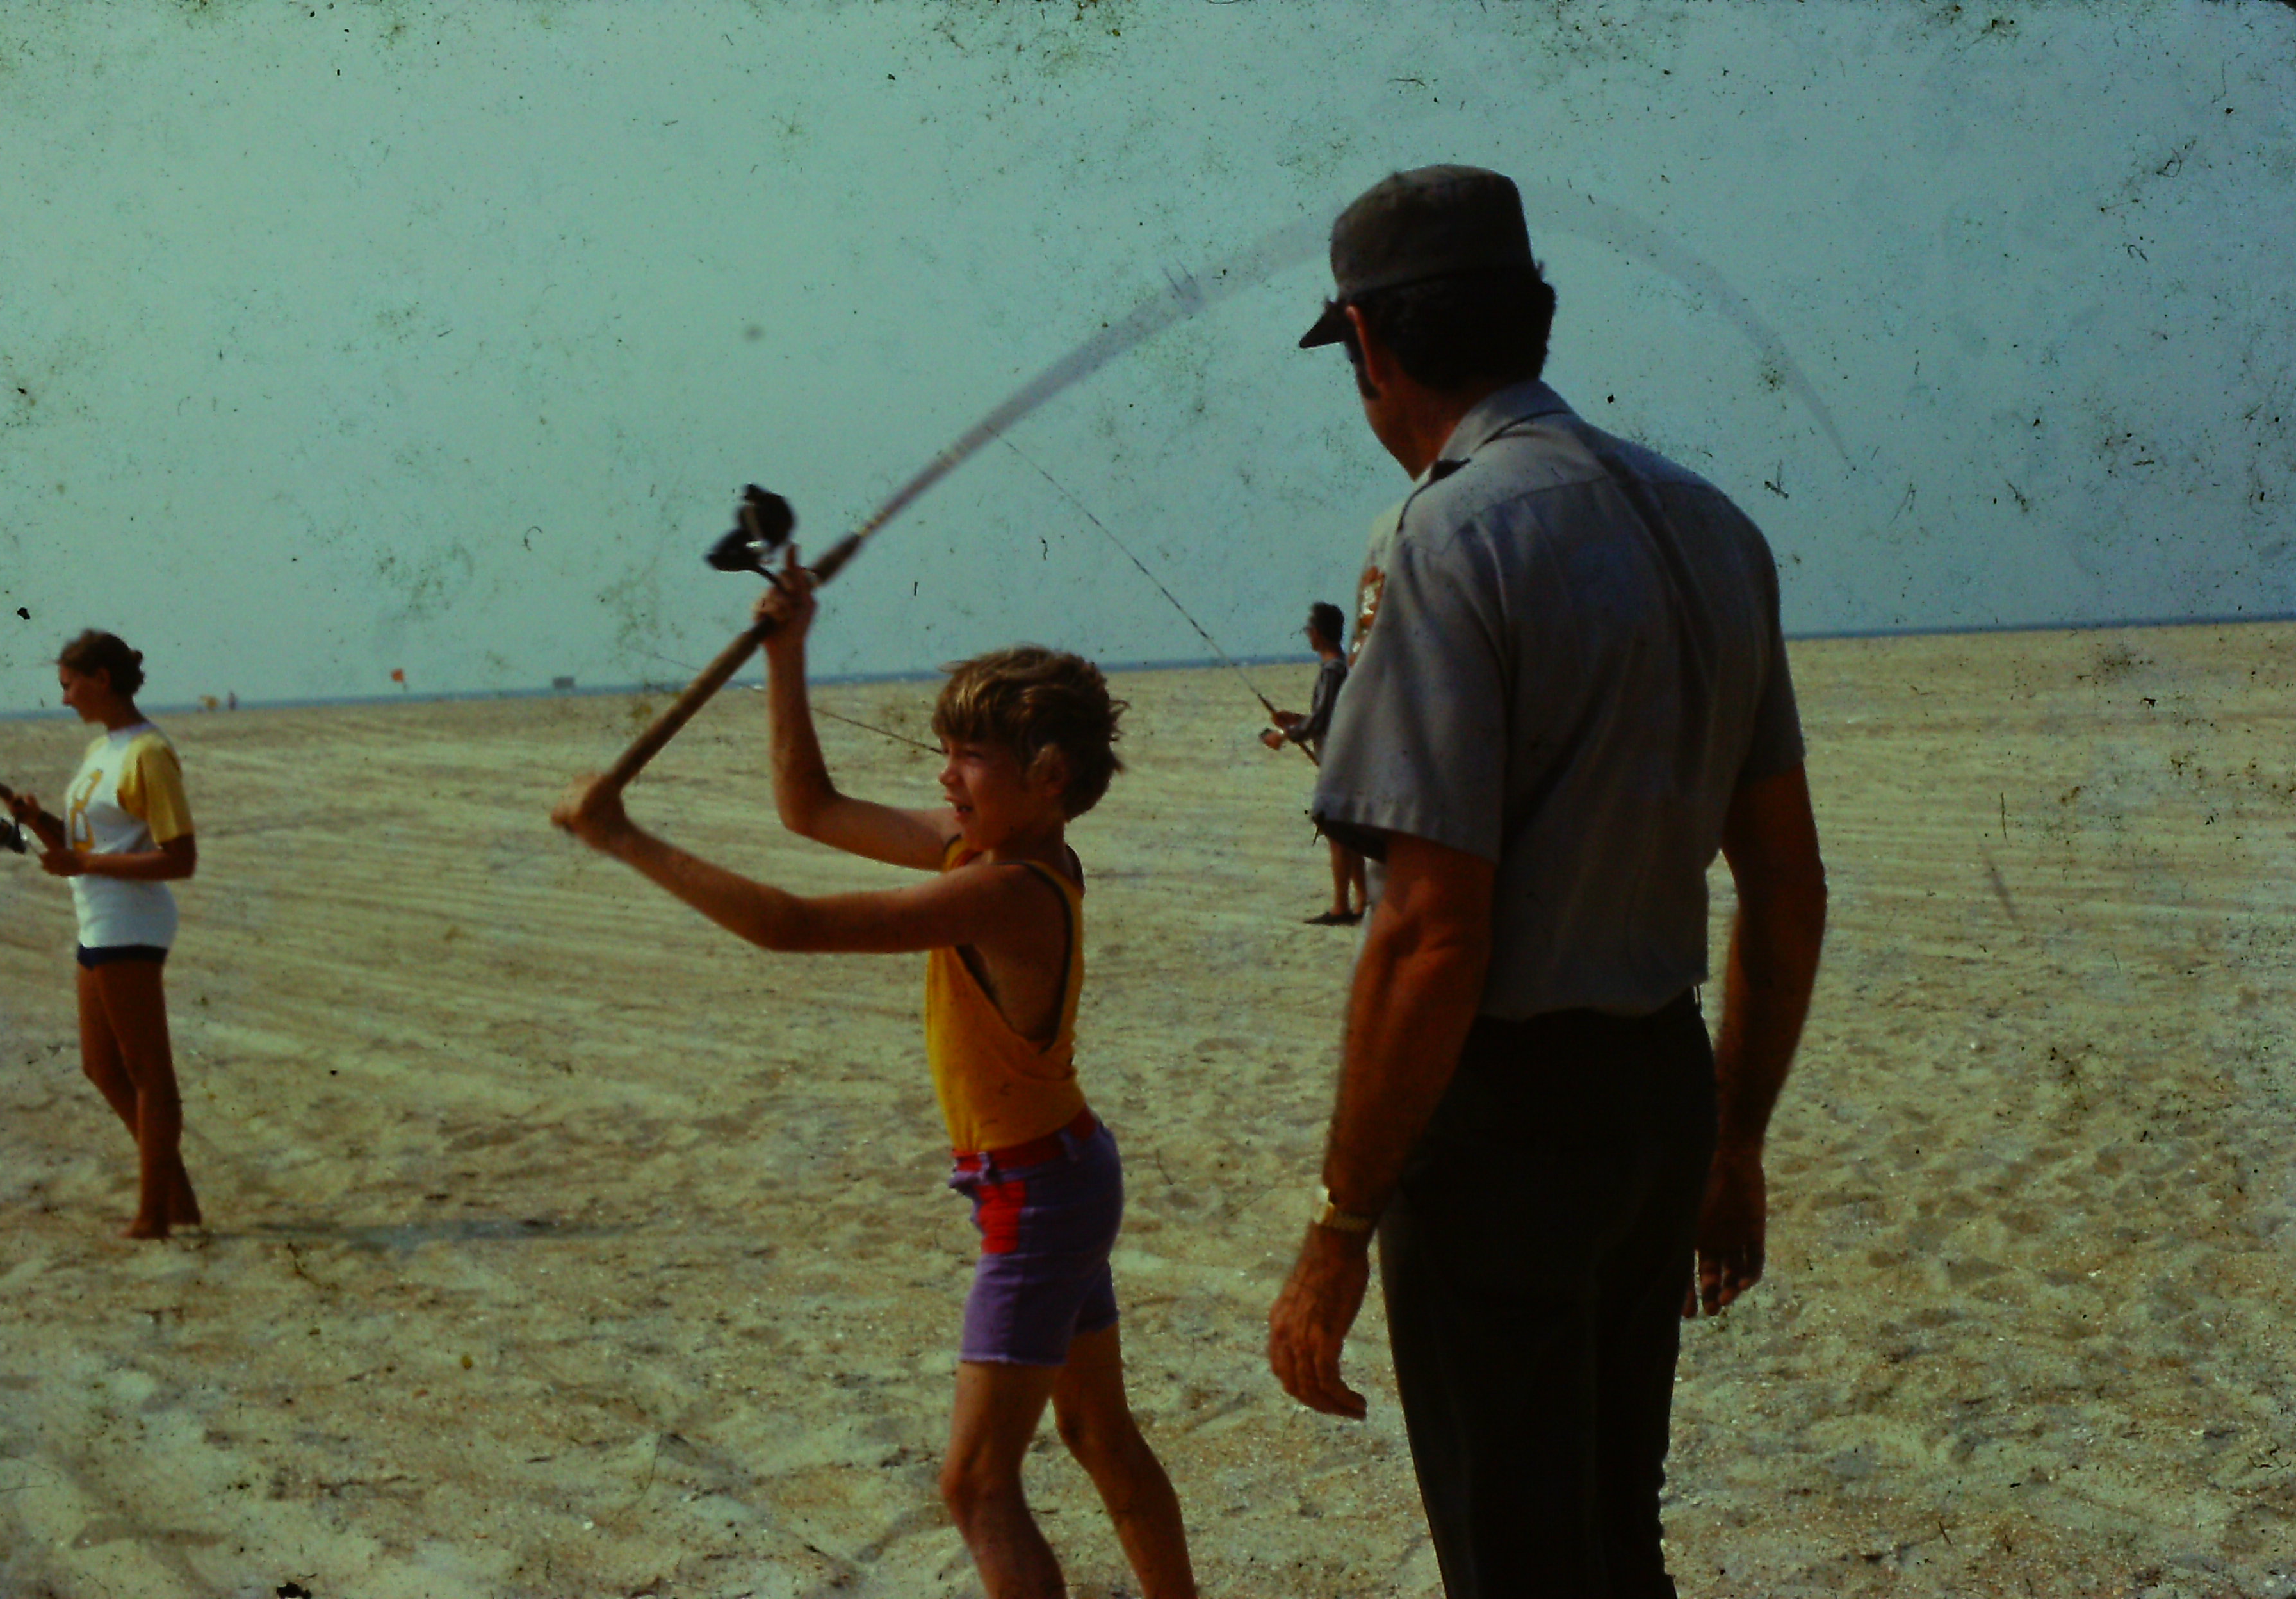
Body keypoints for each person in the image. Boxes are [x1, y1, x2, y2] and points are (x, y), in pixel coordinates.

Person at [1263, 165, 1828, 1597]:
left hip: (1504, 1119)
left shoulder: (1442, 538)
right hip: (1660, 1091)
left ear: (1370, 346)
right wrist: (1733, 1137)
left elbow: (1431, 936)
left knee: (1514, 1557)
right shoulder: (1713, 525)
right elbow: (1784, 882)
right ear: (1536, 319)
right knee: (1611, 1535)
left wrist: (1337, 1225)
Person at [552, 556, 1196, 1599]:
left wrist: (624, 837)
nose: (944, 777)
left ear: (1050, 777)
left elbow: (789, 924)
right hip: (1061, 1173)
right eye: (943, 754)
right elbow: (807, 807)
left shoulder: (1008, 889)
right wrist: (791, 654)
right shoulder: (977, 844)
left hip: (1039, 1196)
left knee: (977, 1487)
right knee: (1097, 1433)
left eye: (970, 757)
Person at [9, 630, 202, 1240]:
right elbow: (82, 846)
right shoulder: (103, 749)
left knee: (149, 1072)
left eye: (69, 685)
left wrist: (84, 865)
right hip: (97, 917)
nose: (64, 698)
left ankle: (154, 1217)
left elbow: (181, 859)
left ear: (101, 679)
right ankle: (177, 1198)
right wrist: (38, 820)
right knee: (100, 1066)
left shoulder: (149, 752)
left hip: (131, 920)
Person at [1260, 601, 1367, 925]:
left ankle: (1340, 907)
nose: (1308, 635)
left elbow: (1321, 721)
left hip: (1338, 762)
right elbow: (1327, 717)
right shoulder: (1337, 671)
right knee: (1348, 833)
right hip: (1341, 758)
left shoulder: (1333, 671)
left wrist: (1284, 735)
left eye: (1309, 630)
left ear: (1318, 634)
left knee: (1336, 833)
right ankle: (1363, 902)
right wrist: (1295, 721)